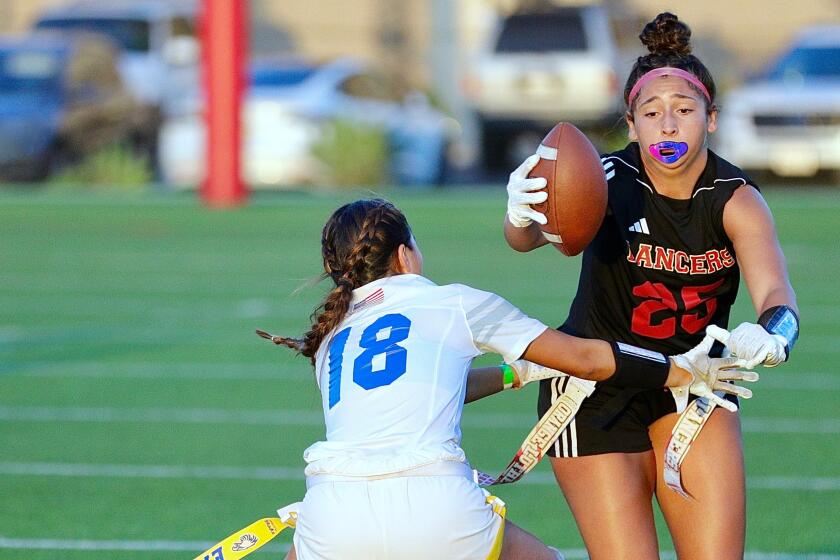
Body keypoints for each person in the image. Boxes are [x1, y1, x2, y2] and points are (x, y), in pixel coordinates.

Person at [262, 197, 754, 560]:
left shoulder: (329, 339)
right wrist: (680, 370)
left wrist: (515, 373)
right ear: (406, 255)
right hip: (437, 506)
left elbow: (427, 390)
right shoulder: (451, 300)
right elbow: (584, 358)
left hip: (332, 514)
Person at [503, 12, 799, 560]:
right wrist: (522, 213)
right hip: (595, 386)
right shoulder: (606, 179)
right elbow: (526, 241)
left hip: (695, 379)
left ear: (711, 119)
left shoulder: (735, 198)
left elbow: (778, 296)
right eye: (652, 112)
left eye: (684, 111)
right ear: (631, 124)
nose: (668, 126)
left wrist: (774, 334)